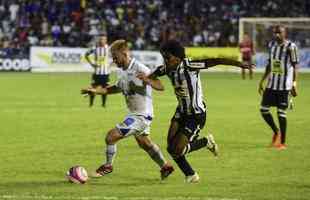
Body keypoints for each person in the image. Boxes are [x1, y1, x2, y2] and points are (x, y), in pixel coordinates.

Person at [137, 40, 251, 183]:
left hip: (196, 115)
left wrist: (239, 64)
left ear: (178, 58)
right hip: (181, 112)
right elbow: (152, 77)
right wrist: (145, 79)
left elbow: (215, 61)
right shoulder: (165, 69)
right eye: (164, 58)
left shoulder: (190, 65)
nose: (165, 61)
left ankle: (205, 142)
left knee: (177, 149)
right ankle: (191, 175)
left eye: (168, 58)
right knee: (171, 148)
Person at [81, 39, 174, 180]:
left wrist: (148, 80)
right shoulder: (122, 71)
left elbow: (160, 86)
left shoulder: (140, 68)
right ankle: (165, 166)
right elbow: (115, 88)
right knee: (145, 143)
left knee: (111, 136)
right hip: (135, 114)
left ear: (124, 53)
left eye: (115, 57)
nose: (114, 60)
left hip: (142, 116)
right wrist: (95, 91)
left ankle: (108, 166)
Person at [258, 25, 299, 150]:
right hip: (272, 84)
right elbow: (269, 64)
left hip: (284, 86)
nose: (277, 35)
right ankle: (276, 132)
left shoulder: (291, 47)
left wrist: (294, 83)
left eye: (279, 33)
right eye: (275, 33)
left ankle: (282, 143)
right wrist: (262, 81)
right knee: (263, 109)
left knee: (281, 113)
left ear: (284, 33)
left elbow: (295, 66)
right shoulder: (272, 46)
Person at [85, 34, 110, 107]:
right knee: (93, 89)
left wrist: (110, 64)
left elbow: (115, 57)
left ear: (106, 40)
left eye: (103, 39)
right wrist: (92, 64)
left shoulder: (108, 48)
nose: (101, 41)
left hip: (105, 73)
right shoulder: (94, 48)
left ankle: (103, 104)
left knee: (104, 89)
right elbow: (86, 55)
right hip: (96, 73)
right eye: (100, 39)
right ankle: (91, 104)